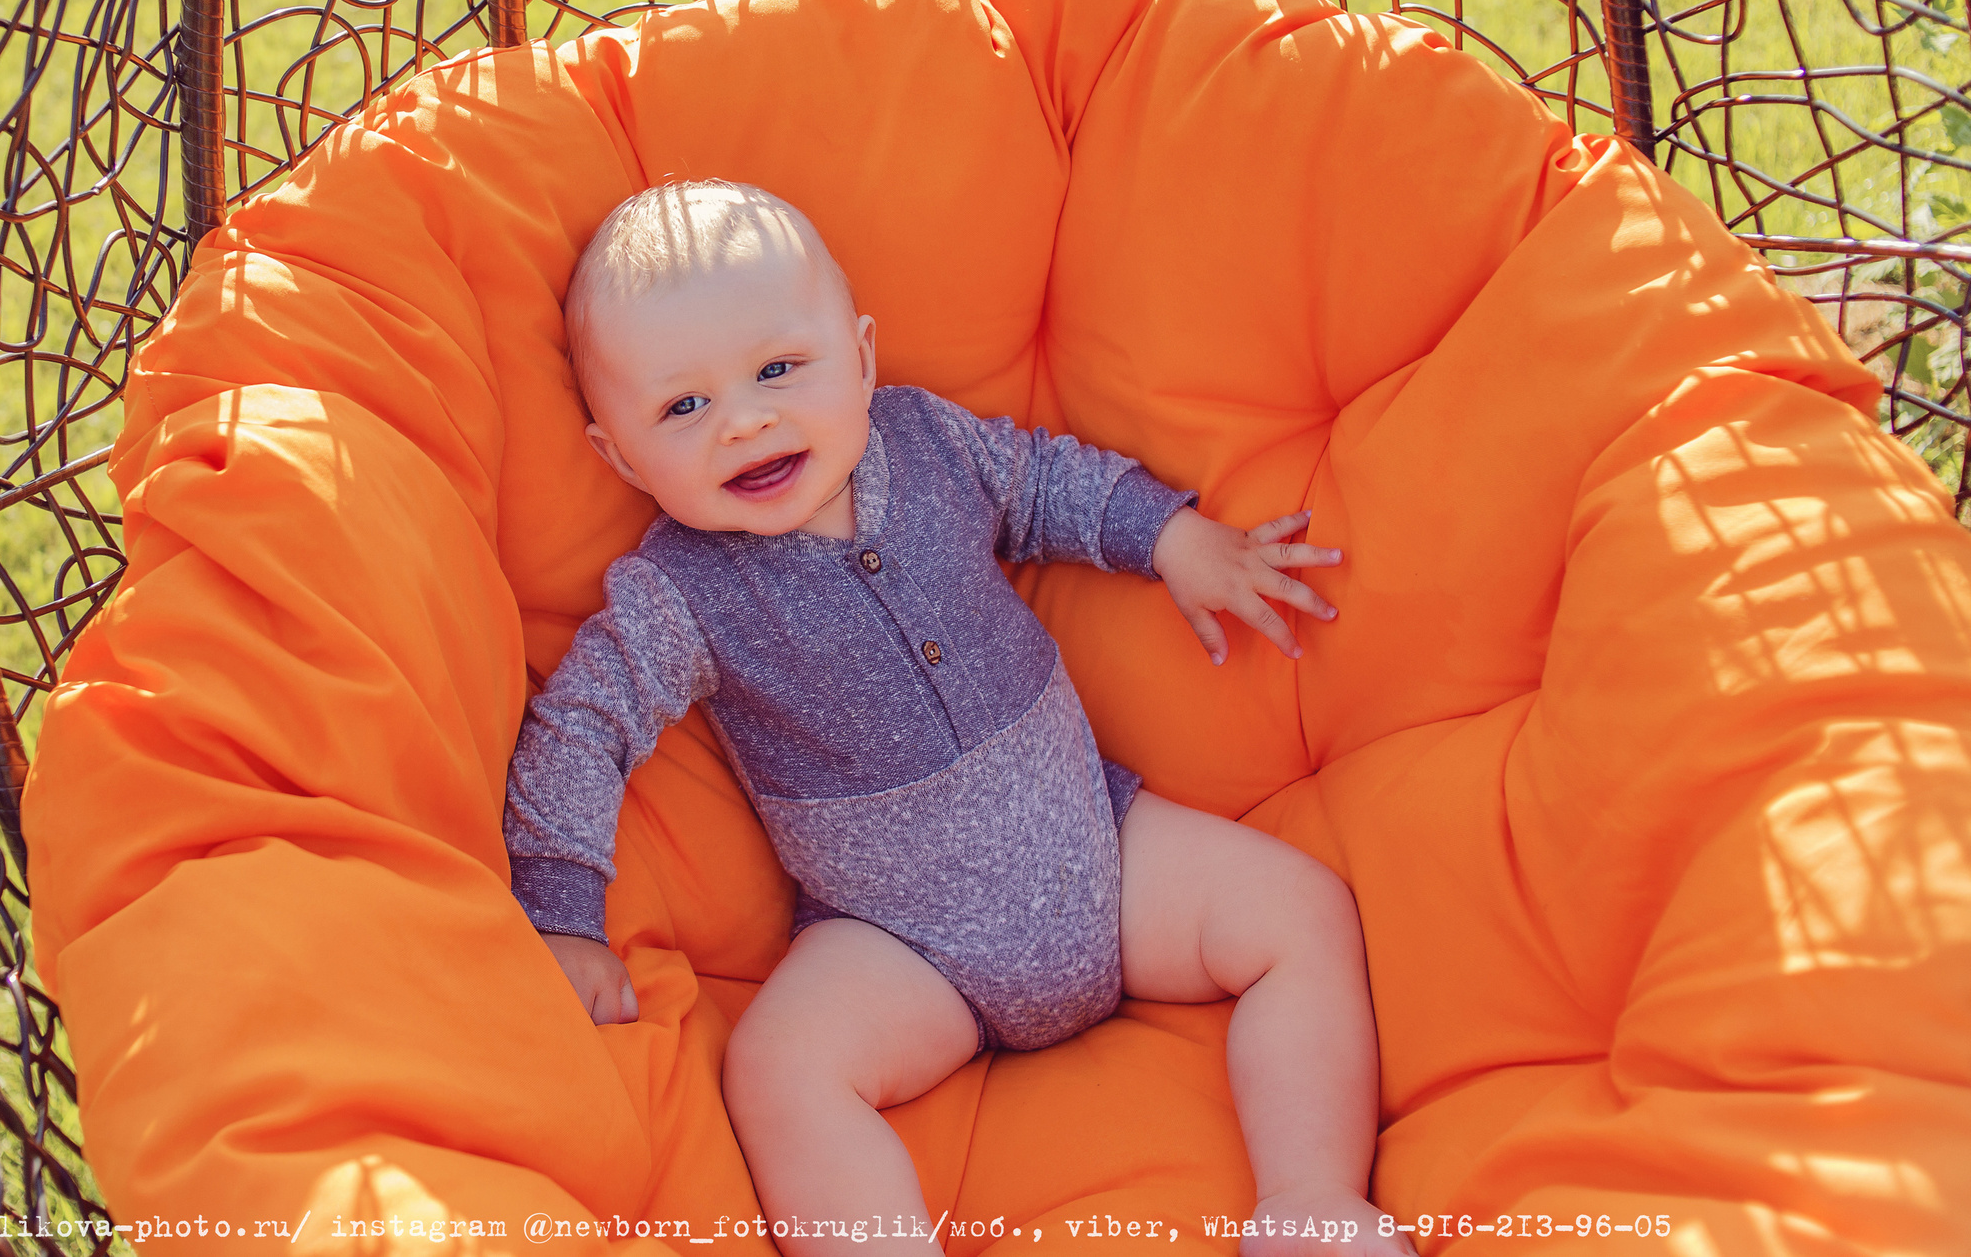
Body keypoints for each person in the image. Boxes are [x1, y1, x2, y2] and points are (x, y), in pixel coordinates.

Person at [504, 180, 1411, 1257]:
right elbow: (580, 728)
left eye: (778, 369)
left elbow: (1041, 487)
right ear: (616, 455)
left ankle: (1310, 1205)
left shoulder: (926, 444)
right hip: (900, 946)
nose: (745, 419)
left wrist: (1171, 539)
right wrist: (562, 917)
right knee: (779, 1068)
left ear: (862, 356)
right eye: (682, 408)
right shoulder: (677, 591)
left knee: (1300, 911)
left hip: (1103, 857)